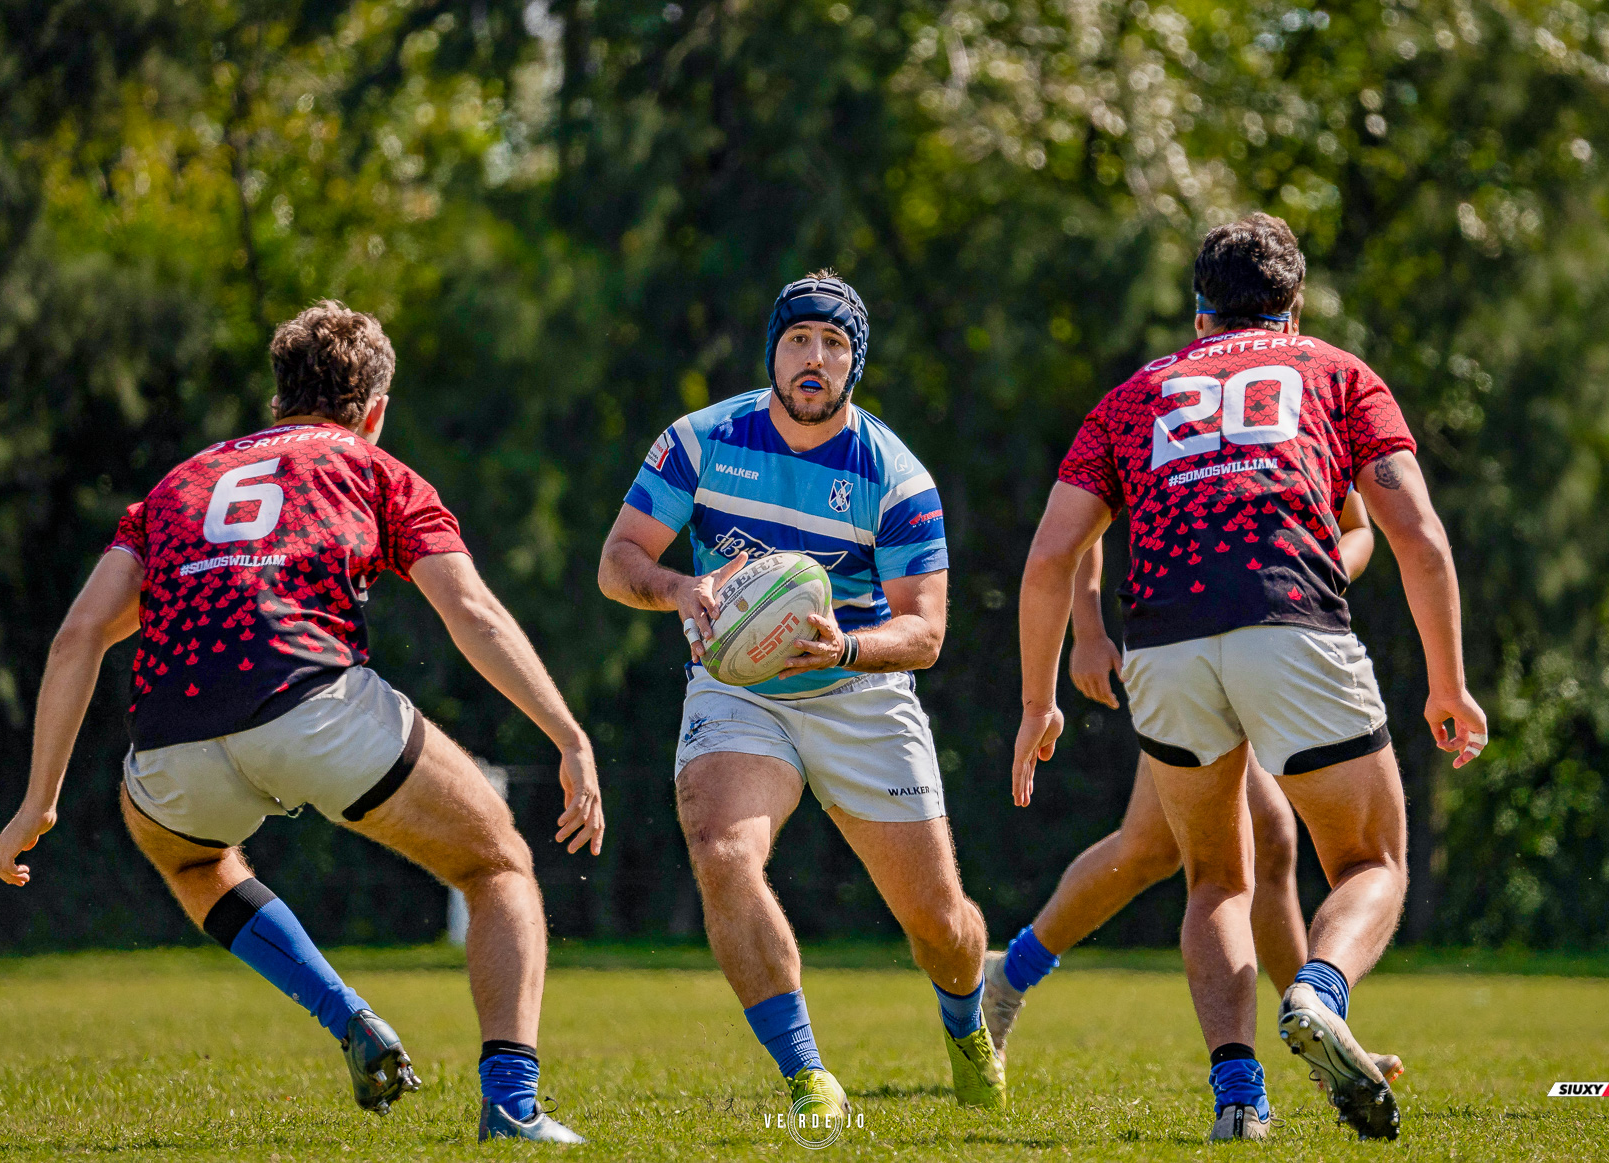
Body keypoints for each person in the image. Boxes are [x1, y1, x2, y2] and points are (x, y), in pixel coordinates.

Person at [0, 301, 601, 1145]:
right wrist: (568, 734)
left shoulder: (174, 486)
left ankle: (343, 1012)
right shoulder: (375, 467)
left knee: (191, 857)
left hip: (169, 744)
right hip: (313, 706)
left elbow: (78, 636)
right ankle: (512, 1103)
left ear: (277, 398)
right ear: (375, 412)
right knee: (499, 866)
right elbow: (472, 614)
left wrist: (38, 802)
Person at [1011, 214, 1487, 1142]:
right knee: (1369, 860)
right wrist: (1448, 682)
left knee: (1214, 878)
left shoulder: (1133, 396)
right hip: (1289, 624)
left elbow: (1048, 559)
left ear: (1199, 314)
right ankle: (1320, 991)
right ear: (1295, 304)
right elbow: (1418, 538)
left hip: (1163, 642)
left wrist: (1039, 701)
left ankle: (1240, 1099)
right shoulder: (1338, 372)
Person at [598, 272, 1003, 1123]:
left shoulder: (894, 474)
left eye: (832, 344)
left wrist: (847, 644)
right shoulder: (702, 441)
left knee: (940, 928)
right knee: (722, 854)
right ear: (773, 351)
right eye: (798, 341)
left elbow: (925, 632)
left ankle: (969, 1023)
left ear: (855, 363)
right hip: (738, 687)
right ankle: (809, 1077)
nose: (812, 359)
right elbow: (620, 558)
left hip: (860, 688)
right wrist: (678, 589)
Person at [983, 495, 1402, 1083]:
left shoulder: (1308, 411)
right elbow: (1079, 521)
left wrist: (1318, 567)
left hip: (1275, 636)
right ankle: (1317, 1028)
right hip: (1185, 643)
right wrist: (1087, 629)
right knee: (1239, 844)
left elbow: (1358, 529)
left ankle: (1006, 979)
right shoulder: (1158, 404)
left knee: (1149, 849)